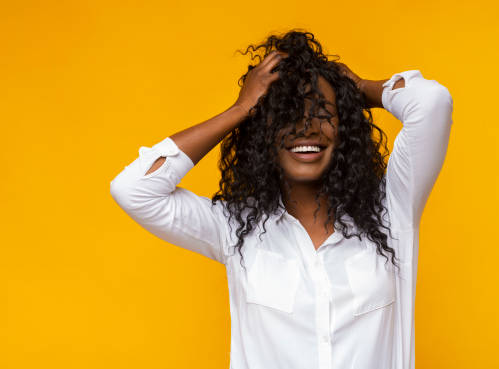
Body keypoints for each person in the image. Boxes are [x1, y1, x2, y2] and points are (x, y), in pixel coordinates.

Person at [110, 30, 454, 369]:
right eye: (286, 115)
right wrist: (240, 109)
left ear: (344, 127)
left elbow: (432, 102)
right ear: (263, 133)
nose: (306, 128)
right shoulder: (234, 230)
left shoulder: (391, 212)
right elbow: (134, 190)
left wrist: (360, 88)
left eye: (322, 113)